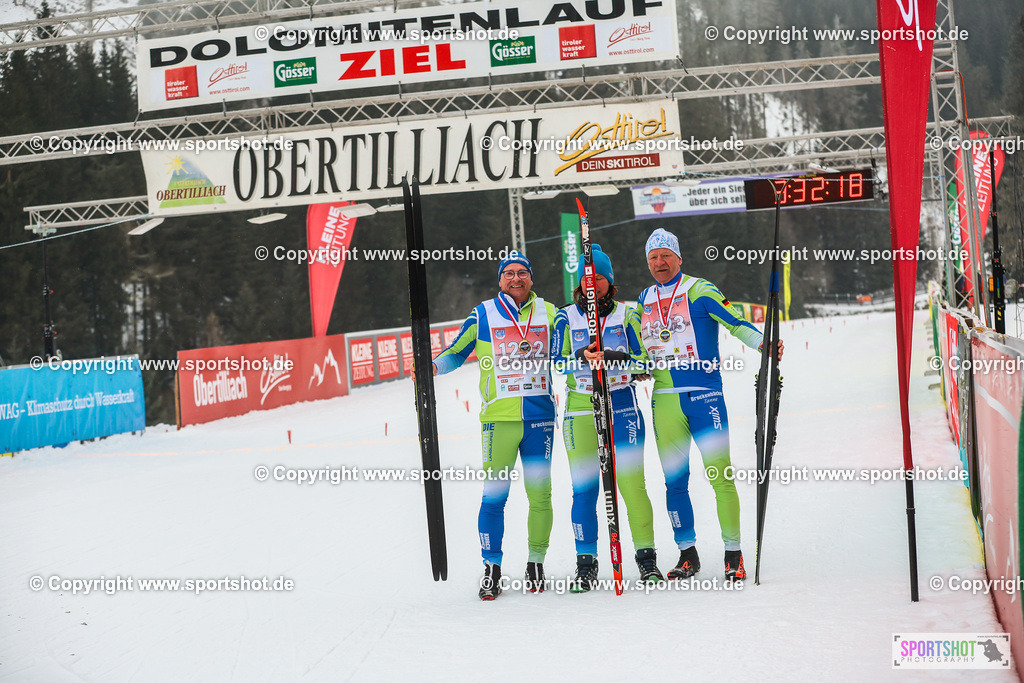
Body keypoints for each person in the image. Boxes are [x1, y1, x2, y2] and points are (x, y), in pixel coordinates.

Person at [635, 228, 783, 583]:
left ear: (679, 258)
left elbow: (736, 324)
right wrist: (636, 366)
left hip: (704, 397)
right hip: (665, 402)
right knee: (675, 482)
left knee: (720, 476)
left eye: (665, 255)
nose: (659, 262)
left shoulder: (700, 290)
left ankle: (734, 554)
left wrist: (765, 343)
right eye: (653, 257)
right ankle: (688, 554)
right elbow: (640, 346)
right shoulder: (643, 298)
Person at [430, 251, 558, 600]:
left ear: (531, 278)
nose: (516, 279)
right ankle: (492, 568)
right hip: (498, 421)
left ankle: (535, 564)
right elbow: (456, 352)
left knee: (540, 496)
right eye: (509, 274)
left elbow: (566, 353)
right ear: (500, 280)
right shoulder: (483, 314)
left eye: (522, 273)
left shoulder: (549, 313)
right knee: (494, 497)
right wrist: (433, 368)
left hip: (539, 419)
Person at [552, 244, 663, 592]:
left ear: (609, 281)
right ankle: (586, 565)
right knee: (583, 491)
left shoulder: (627, 315)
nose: (593, 283)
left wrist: (615, 357)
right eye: (587, 277)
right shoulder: (564, 316)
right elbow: (556, 363)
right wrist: (582, 357)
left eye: (599, 277)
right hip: (581, 409)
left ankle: (647, 561)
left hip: (622, 406)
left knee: (632, 487)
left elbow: (645, 363)